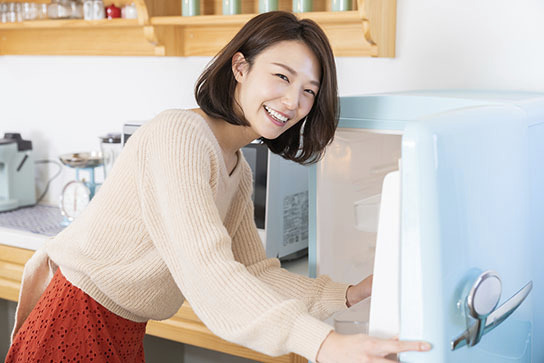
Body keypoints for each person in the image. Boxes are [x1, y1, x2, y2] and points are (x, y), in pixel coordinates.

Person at [6, 11, 430, 363]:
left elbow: (251, 272)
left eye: (308, 91)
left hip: (121, 327)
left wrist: (349, 294)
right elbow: (207, 272)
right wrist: (322, 344)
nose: (292, 101)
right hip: (75, 319)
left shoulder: (236, 168)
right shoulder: (180, 134)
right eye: (281, 77)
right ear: (240, 67)